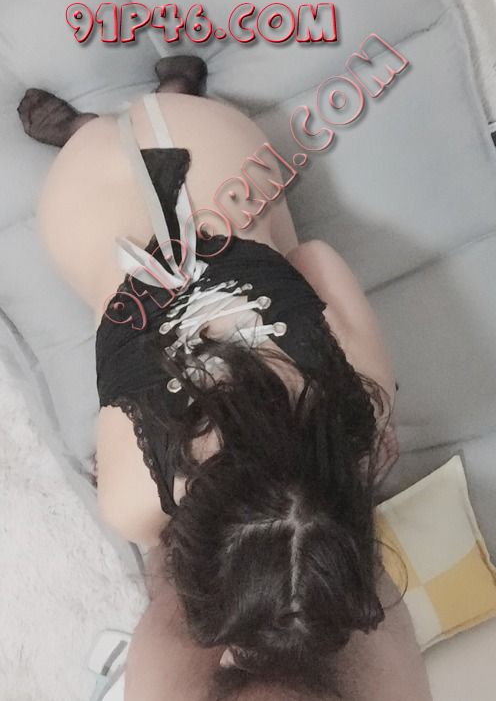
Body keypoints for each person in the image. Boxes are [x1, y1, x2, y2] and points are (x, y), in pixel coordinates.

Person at [18, 56, 432, 700]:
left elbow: (315, 257)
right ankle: (82, 131)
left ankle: (172, 94)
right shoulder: (132, 500)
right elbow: (109, 344)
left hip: (223, 150)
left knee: (281, 249)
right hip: (79, 202)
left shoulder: (359, 399)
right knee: (115, 297)